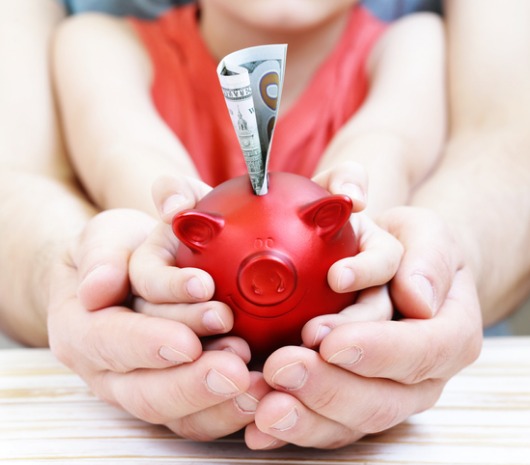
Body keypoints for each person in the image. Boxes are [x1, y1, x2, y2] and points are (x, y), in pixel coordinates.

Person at [0, 0, 524, 452]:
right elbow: (125, 151)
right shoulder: (98, 42)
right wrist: (158, 251)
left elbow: (385, 145)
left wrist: (365, 240)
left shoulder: (410, 44)